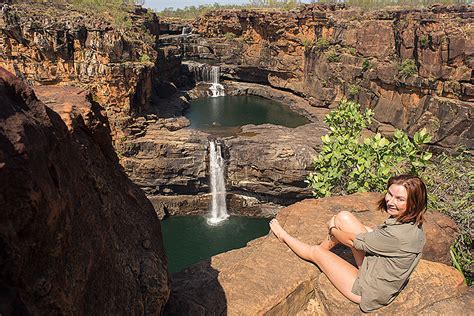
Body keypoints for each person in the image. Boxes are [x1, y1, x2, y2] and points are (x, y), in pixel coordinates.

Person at [269, 175, 427, 312]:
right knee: (343, 218)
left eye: (399, 199)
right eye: (390, 194)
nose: (390, 201)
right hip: (376, 267)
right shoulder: (413, 225)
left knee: (317, 250)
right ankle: (325, 253)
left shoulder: (398, 236)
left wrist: (333, 229)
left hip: (367, 290)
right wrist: (339, 226)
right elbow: (378, 236)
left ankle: (286, 238)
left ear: (413, 203)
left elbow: (353, 241)